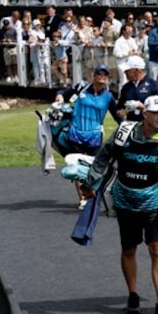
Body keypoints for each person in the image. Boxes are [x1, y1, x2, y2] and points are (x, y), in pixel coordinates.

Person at [82, 94, 158, 314]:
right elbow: (103, 156)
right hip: (125, 200)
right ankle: (133, 294)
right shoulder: (123, 133)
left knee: (157, 248)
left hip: (154, 202)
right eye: (156, 113)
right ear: (144, 113)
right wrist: (91, 182)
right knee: (128, 249)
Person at [55, 64, 121, 208]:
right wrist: (59, 96)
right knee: (77, 168)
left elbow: (117, 116)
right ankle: (83, 199)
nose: (102, 77)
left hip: (95, 138)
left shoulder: (108, 96)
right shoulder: (81, 88)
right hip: (75, 135)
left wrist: (127, 127)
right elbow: (62, 92)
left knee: (94, 168)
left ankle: (91, 194)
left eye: (105, 75)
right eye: (99, 74)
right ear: (94, 75)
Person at [116, 55, 158, 122]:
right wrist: (120, 112)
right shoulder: (126, 87)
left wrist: (142, 107)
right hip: (131, 125)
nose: (125, 72)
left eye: (127, 70)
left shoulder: (153, 85)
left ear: (137, 70)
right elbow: (120, 107)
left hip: (149, 124)